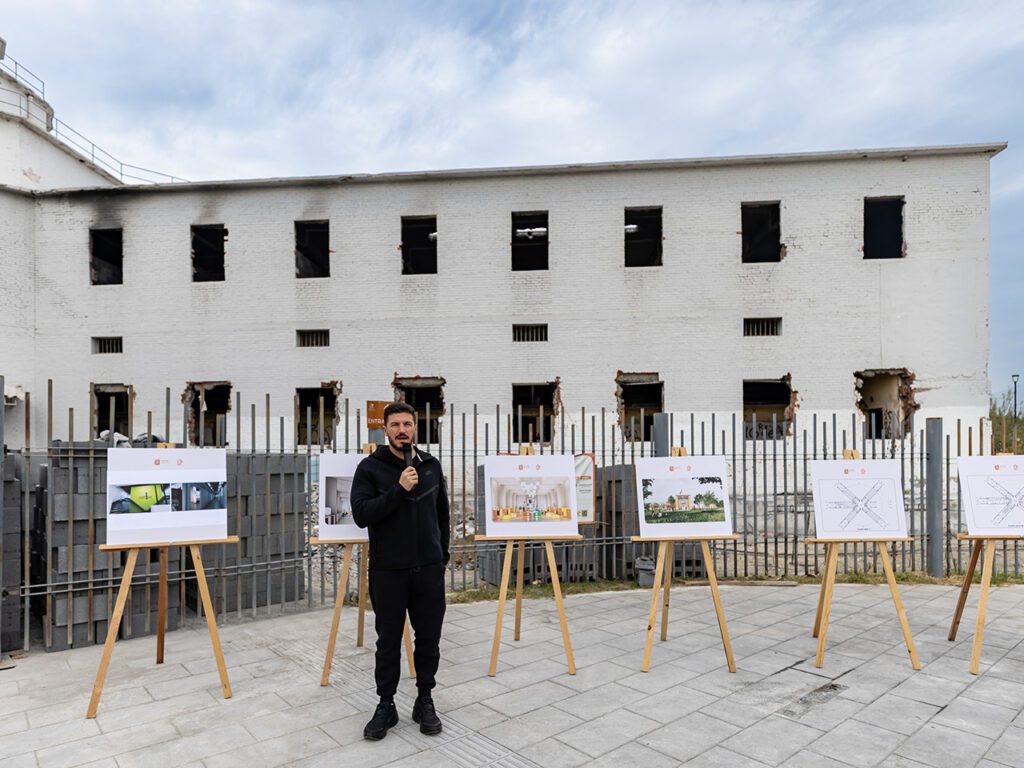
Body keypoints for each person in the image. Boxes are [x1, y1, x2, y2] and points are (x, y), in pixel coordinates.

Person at [351, 401, 450, 741]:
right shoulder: (370, 468)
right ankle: (386, 705)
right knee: (388, 642)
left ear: (415, 428)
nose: (402, 430)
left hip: (428, 571)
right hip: (389, 571)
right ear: (385, 429)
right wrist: (399, 489)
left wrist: (441, 558)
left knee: (429, 641)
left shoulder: (431, 466)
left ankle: (425, 699)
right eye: (395, 425)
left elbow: (442, 517)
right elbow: (363, 514)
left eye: (407, 424)